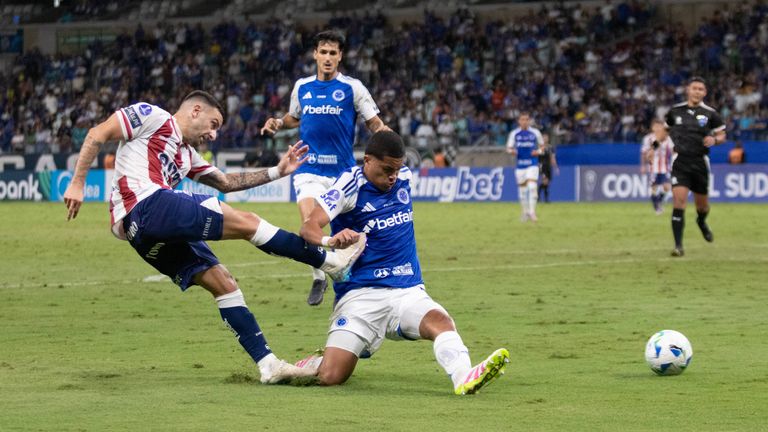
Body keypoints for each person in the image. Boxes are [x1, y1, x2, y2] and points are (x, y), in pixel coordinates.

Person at [63, 90, 367, 385]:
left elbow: (225, 182)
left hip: (142, 236)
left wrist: (277, 171)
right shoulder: (152, 116)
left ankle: (268, 364)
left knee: (223, 282)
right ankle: (329, 261)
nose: (214, 135)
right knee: (247, 222)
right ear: (196, 111)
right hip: (148, 205)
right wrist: (78, 183)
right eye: (214, 125)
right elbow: (97, 134)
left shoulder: (187, 155)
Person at [295, 131, 510, 395]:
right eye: (386, 170)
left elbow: (388, 141)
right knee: (331, 376)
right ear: (368, 161)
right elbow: (308, 228)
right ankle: (319, 361)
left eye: (396, 169)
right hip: (360, 295)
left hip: (406, 289)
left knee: (441, 321)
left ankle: (464, 377)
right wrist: (331, 240)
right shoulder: (349, 185)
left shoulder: (404, 177)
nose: (393, 176)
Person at [260, 30, 390, 307]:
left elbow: (374, 123)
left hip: (343, 173)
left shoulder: (353, 88)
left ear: (340, 56)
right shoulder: (302, 87)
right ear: (315, 55)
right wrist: (278, 122)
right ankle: (320, 273)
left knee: (350, 235)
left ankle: (353, 285)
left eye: (333, 53)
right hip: (309, 169)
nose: (328, 57)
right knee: (310, 221)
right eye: (323, 52)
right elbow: (294, 117)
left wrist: (389, 139)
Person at [664, 77, 726, 257]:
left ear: (704, 93)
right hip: (680, 162)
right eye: (694, 88)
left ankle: (701, 221)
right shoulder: (675, 111)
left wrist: (715, 139)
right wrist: (653, 149)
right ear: (688, 90)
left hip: (699, 163)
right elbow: (663, 132)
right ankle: (678, 246)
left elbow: (722, 135)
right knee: (679, 202)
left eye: (701, 89)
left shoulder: (710, 114)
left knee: (702, 206)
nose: (697, 91)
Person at [506, 112, 544, 221]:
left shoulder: (535, 132)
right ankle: (525, 211)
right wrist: (513, 151)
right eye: (522, 119)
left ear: (529, 121)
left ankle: (532, 212)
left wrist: (538, 152)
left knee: (532, 187)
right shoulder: (514, 134)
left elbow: (542, 147)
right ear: (519, 121)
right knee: (522, 192)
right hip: (520, 165)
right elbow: (508, 148)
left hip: (532, 164)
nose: (524, 121)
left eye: (526, 119)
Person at [640, 119, 674, 214]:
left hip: (665, 167)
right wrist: (643, 165)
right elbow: (643, 153)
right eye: (656, 126)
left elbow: (672, 150)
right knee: (654, 187)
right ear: (652, 127)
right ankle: (657, 208)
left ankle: (658, 202)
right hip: (653, 168)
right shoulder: (648, 138)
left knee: (667, 186)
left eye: (660, 126)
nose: (659, 128)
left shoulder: (667, 138)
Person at [537, 134, 558, 203]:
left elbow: (552, 158)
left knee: (547, 183)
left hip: (548, 166)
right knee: (545, 181)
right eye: (544, 138)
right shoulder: (539, 147)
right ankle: (544, 198)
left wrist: (556, 167)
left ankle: (540, 196)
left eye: (546, 138)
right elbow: (536, 156)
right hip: (542, 166)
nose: (545, 139)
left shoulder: (550, 147)